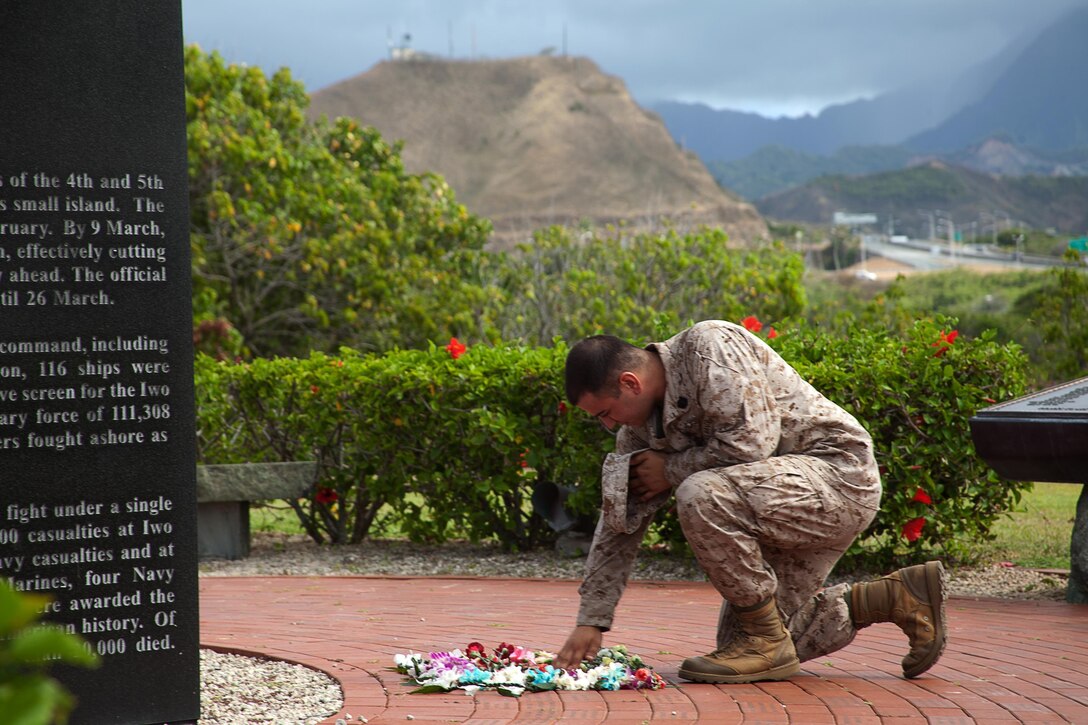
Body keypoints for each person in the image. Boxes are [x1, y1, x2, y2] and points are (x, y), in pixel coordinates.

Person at [552, 320, 947, 684]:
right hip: (773, 502)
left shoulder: (709, 347)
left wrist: (671, 470)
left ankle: (765, 638)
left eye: (605, 413)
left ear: (630, 383)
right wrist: (593, 620)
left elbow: (751, 443)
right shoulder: (638, 433)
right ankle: (897, 596)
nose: (608, 425)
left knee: (699, 494)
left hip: (837, 480)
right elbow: (620, 521)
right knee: (744, 639)